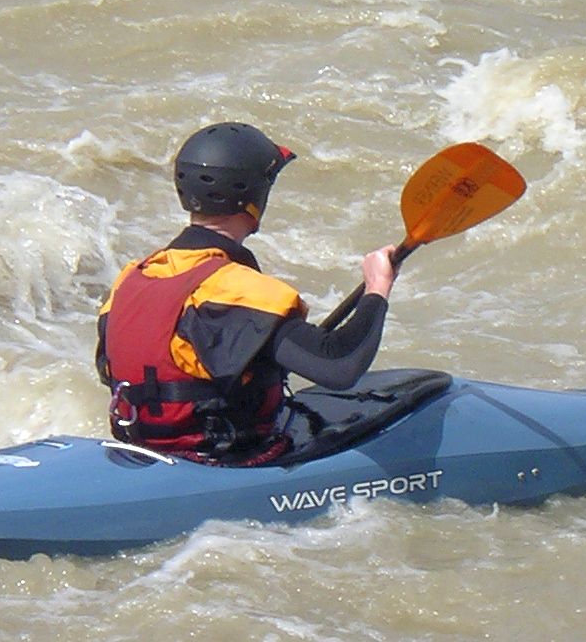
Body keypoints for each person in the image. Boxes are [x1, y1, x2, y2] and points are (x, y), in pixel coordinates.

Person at [94, 122, 400, 465]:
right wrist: (377, 287)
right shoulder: (238, 291)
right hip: (224, 460)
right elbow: (340, 366)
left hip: (144, 453)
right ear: (254, 198)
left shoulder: (130, 280)